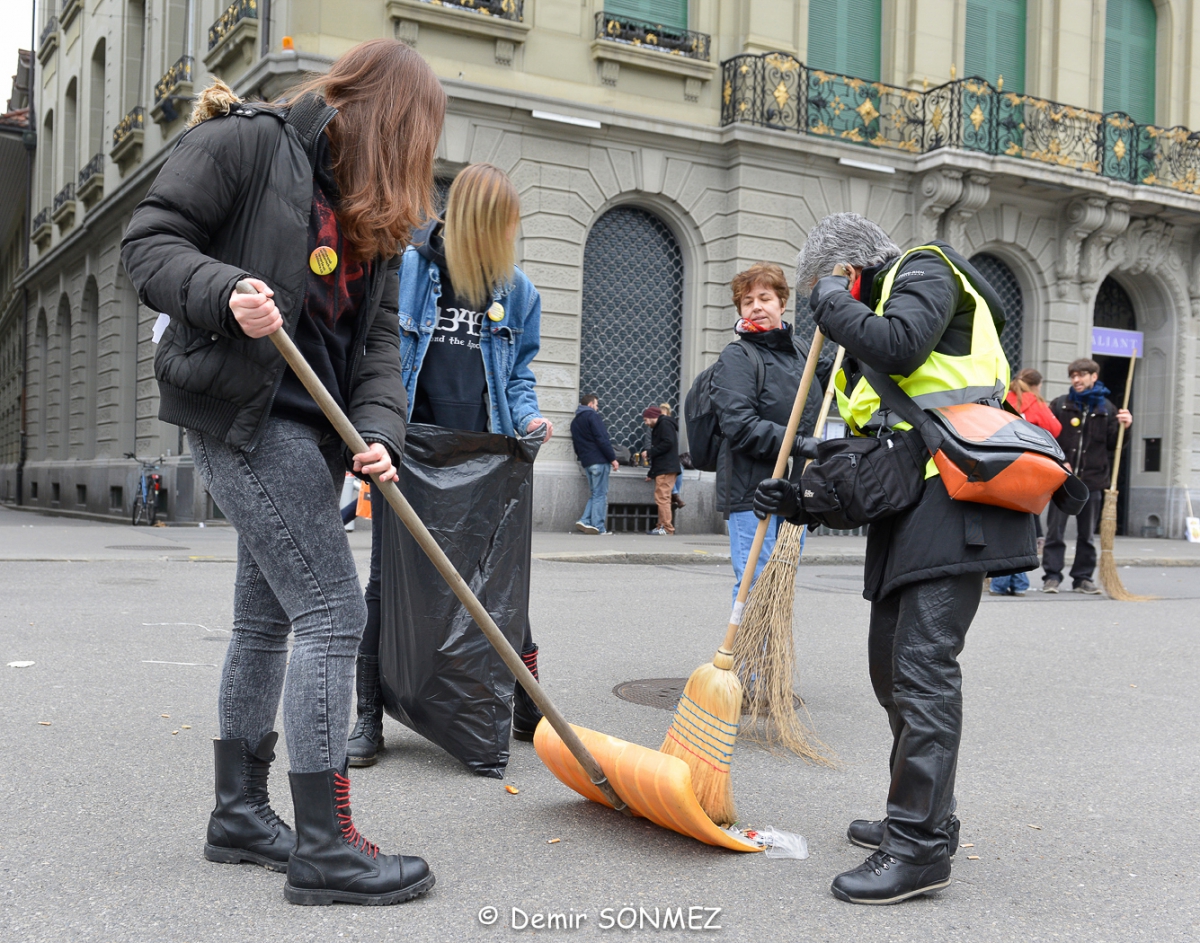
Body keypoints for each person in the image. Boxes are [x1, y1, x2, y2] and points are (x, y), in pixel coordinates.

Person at [120, 40, 445, 906]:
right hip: (245, 413)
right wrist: (224, 288)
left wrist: (380, 433)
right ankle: (326, 844)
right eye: (418, 140)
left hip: (320, 436)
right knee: (333, 611)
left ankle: (237, 813)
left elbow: (377, 347)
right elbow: (146, 243)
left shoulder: (375, 218)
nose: (419, 165)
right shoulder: (247, 144)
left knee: (267, 623)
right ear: (383, 118)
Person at [754, 213, 1036, 905]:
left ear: (847, 272)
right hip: (912, 519)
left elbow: (906, 344)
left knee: (921, 670)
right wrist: (801, 496)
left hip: (961, 502)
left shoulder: (924, 268)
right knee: (891, 667)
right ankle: (920, 812)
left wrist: (829, 297)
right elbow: (872, 469)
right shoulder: (862, 356)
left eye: (826, 289)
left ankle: (917, 846)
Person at [348, 163, 553, 765]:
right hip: (408, 452)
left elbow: (517, 377)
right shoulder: (408, 272)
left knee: (498, 586)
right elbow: (381, 355)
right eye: (501, 228)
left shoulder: (517, 291)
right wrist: (371, 431)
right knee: (387, 582)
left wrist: (530, 420)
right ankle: (368, 719)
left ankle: (525, 701)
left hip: (482, 455)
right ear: (476, 224)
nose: (507, 242)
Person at [711, 263, 822, 602]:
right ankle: (745, 655)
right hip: (751, 492)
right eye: (747, 302)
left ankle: (769, 656)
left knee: (781, 583)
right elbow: (738, 425)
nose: (756, 306)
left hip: (796, 492)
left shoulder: (804, 351)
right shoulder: (738, 356)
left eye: (764, 298)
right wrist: (799, 444)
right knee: (756, 583)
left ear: (782, 304)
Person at [1041, 358, 1132, 594]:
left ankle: (1082, 578)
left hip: (1092, 480)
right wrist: (1061, 461)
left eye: (1081, 375)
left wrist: (1126, 426)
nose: (1076, 380)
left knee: (1086, 535)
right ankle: (1051, 576)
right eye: (1073, 376)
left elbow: (1114, 445)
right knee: (1055, 532)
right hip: (1063, 481)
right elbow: (1048, 439)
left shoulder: (1108, 409)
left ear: (1094, 377)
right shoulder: (1060, 404)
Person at [989, 368, 1061, 596]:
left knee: (1001, 525)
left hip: (1002, 469)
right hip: (1029, 471)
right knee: (1025, 525)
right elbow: (1055, 429)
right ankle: (1019, 583)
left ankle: (998, 582)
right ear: (1037, 385)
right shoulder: (1037, 403)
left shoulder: (1002, 400)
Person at [571, 394, 619, 535]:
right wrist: (613, 458)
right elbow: (602, 438)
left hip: (587, 462)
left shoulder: (575, 422)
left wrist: (583, 458)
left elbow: (576, 445)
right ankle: (599, 526)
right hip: (599, 460)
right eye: (597, 405)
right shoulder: (592, 416)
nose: (597, 408)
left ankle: (585, 520)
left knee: (595, 493)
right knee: (600, 494)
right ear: (591, 404)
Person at [642, 405, 679, 535]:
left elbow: (668, 443)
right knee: (664, 498)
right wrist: (651, 473)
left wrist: (650, 452)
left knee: (662, 498)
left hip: (666, 468)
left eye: (646, 420)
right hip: (665, 467)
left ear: (653, 417)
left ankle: (666, 527)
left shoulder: (664, 424)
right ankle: (662, 526)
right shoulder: (663, 425)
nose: (646, 423)